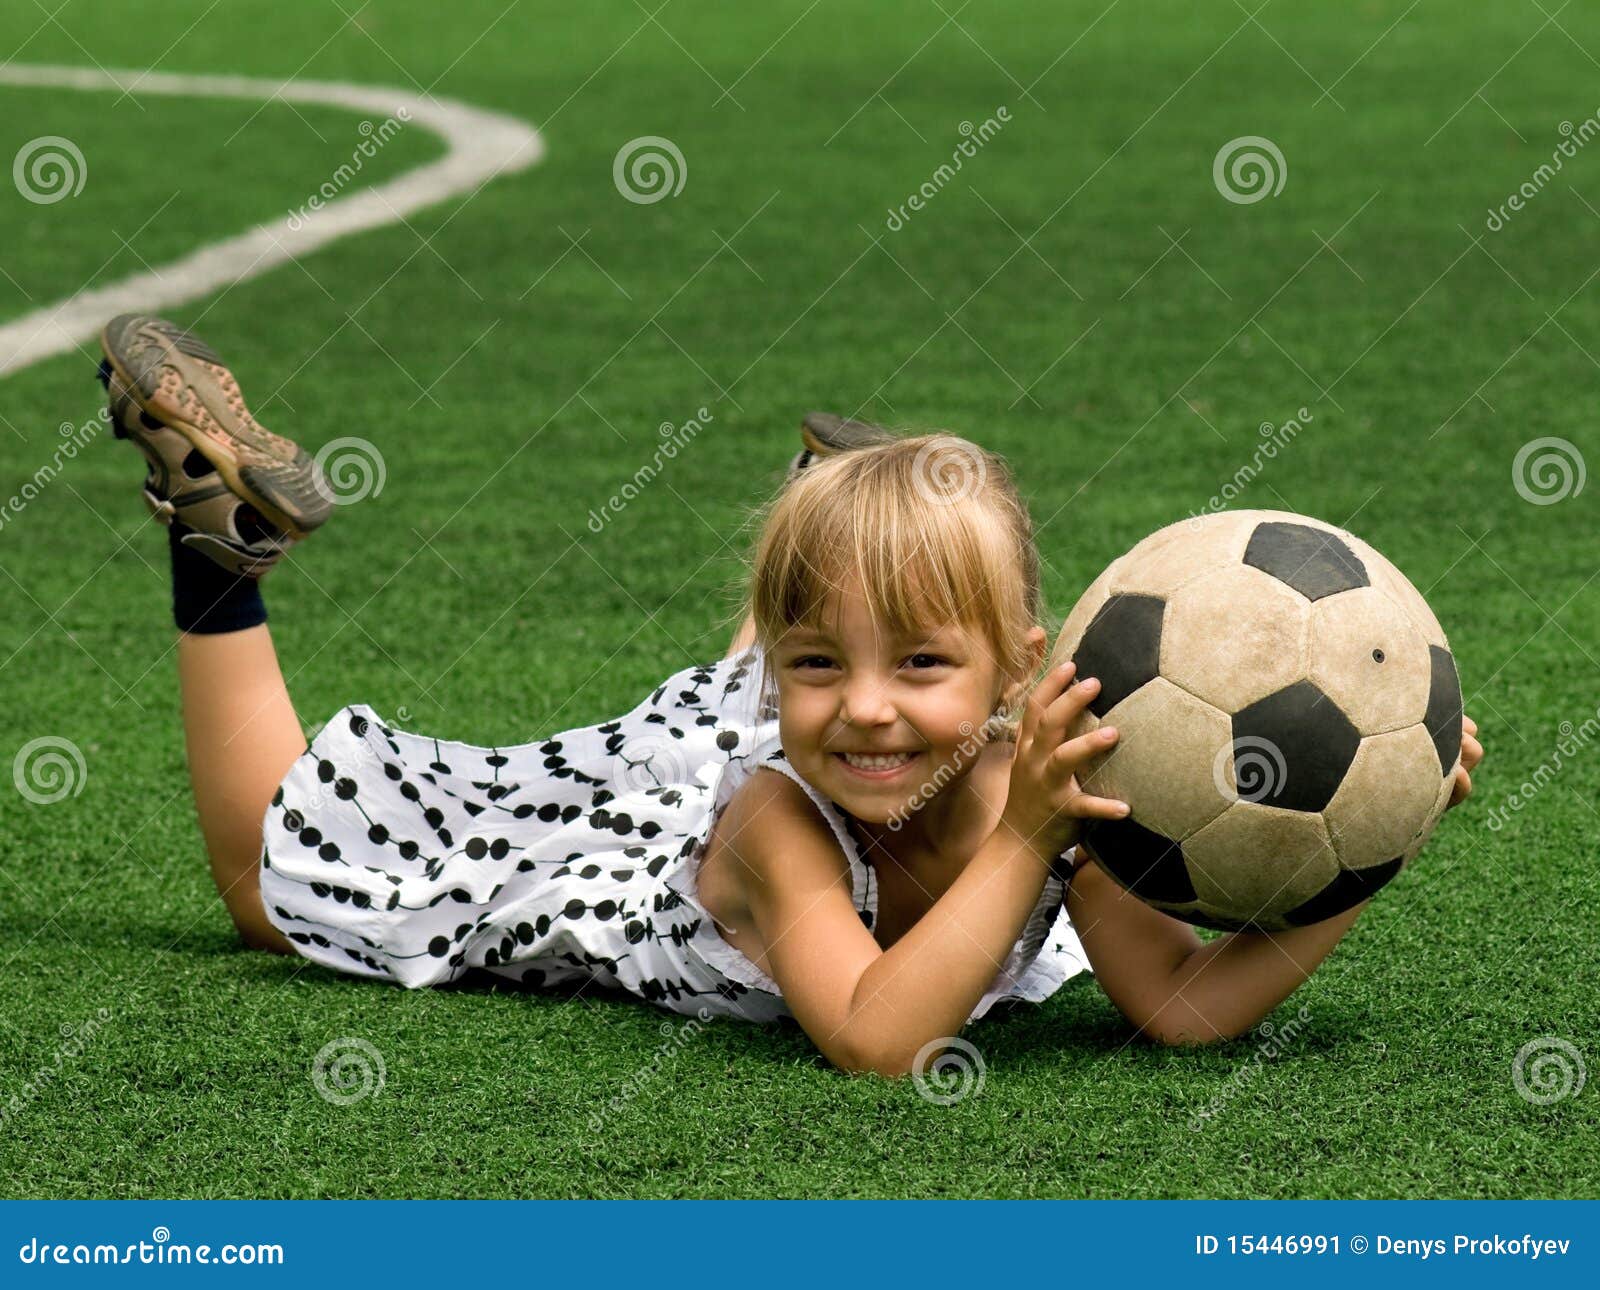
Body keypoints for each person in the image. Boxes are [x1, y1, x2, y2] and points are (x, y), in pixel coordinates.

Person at [97, 313, 1485, 1078]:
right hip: (653, 856)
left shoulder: (1051, 775)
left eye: (922, 659)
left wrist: (1371, 843)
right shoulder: (777, 817)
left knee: (868, 709)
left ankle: (846, 530)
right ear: (776, 660)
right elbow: (882, 1036)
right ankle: (219, 540)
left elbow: (1176, 1007)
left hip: (857, 748)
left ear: (1020, 670)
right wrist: (1015, 836)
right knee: (274, 880)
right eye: (819, 656)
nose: (868, 705)